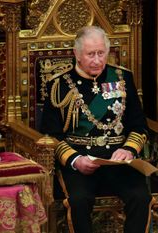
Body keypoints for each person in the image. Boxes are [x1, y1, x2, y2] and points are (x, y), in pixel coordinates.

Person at [40, 25, 154, 233]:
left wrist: (129, 149)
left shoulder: (122, 78)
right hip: (80, 161)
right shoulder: (59, 85)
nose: (97, 60)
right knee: (79, 200)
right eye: (90, 54)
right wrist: (76, 160)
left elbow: (139, 125)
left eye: (101, 53)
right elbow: (51, 135)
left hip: (119, 160)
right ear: (76, 54)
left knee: (141, 197)